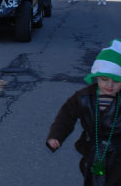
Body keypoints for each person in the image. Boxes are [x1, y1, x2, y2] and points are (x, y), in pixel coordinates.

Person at [46, 39, 121, 186]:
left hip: (119, 151)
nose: (109, 85)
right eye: (104, 79)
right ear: (96, 77)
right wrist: (56, 135)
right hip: (93, 149)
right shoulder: (84, 97)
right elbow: (66, 115)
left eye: (116, 81)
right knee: (92, 180)